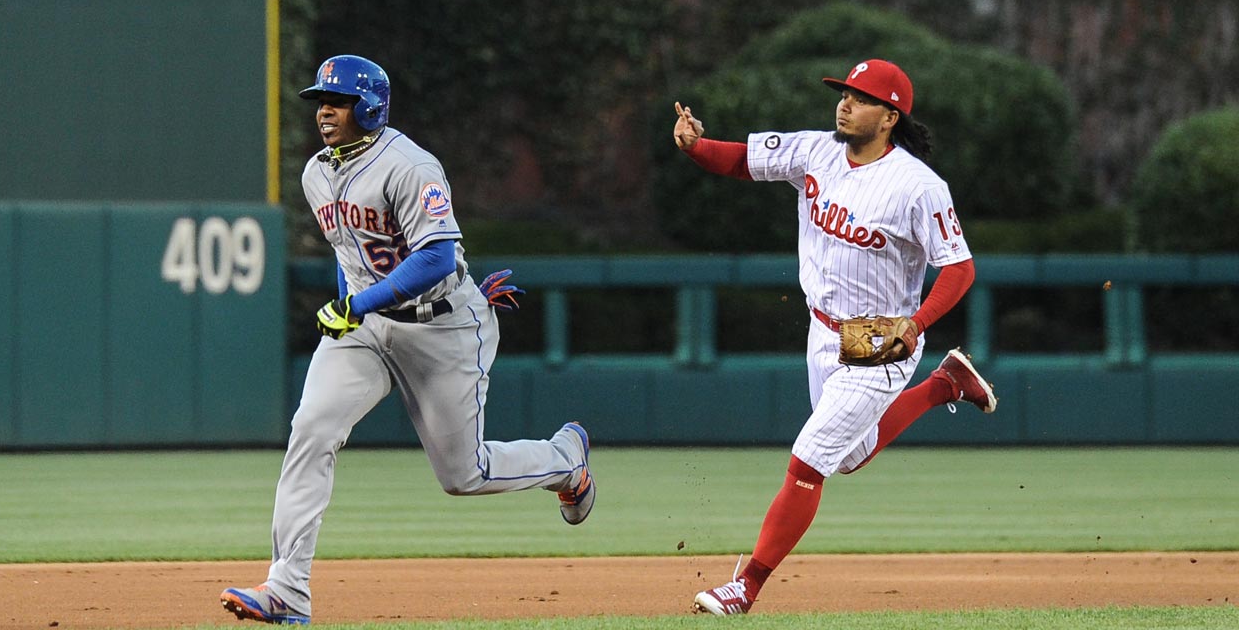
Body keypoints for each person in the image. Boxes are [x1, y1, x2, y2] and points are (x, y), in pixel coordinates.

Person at [220, 55, 595, 625]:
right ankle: (287, 590)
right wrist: (359, 305)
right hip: (369, 329)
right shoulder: (315, 173)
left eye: (338, 101)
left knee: (463, 475)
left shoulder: (409, 165)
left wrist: (361, 302)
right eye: (320, 100)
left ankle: (566, 461)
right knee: (312, 428)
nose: (323, 111)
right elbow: (352, 257)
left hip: (442, 326)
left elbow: (438, 256)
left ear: (369, 106)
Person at [674, 59, 998, 616]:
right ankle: (945, 384)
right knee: (846, 458)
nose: (845, 104)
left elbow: (960, 268)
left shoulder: (919, 187)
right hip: (822, 332)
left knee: (807, 463)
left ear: (890, 116)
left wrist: (914, 325)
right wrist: (697, 147)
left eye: (861, 97)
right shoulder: (816, 151)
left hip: (880, 342)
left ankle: (745, 587)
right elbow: (744, 162)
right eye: (844, 93)